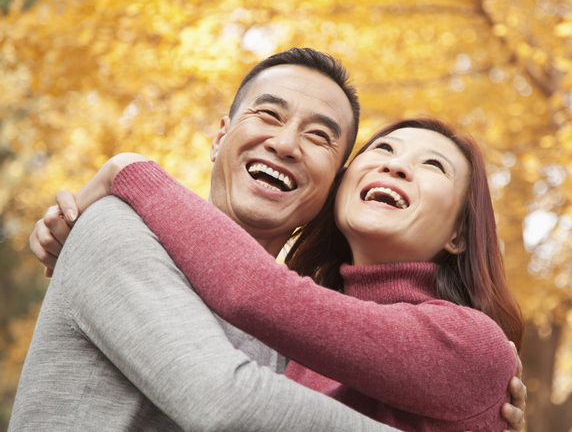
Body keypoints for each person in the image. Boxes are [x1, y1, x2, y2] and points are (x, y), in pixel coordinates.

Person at [21, 48, 526, 430]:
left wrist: (129, 169)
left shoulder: (292, 337)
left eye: (319, 136)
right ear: (220, 137)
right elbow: (224, 399)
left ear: (332, 182)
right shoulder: (119, 228)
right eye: (268, 114)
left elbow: (257, 298)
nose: (285, 144)